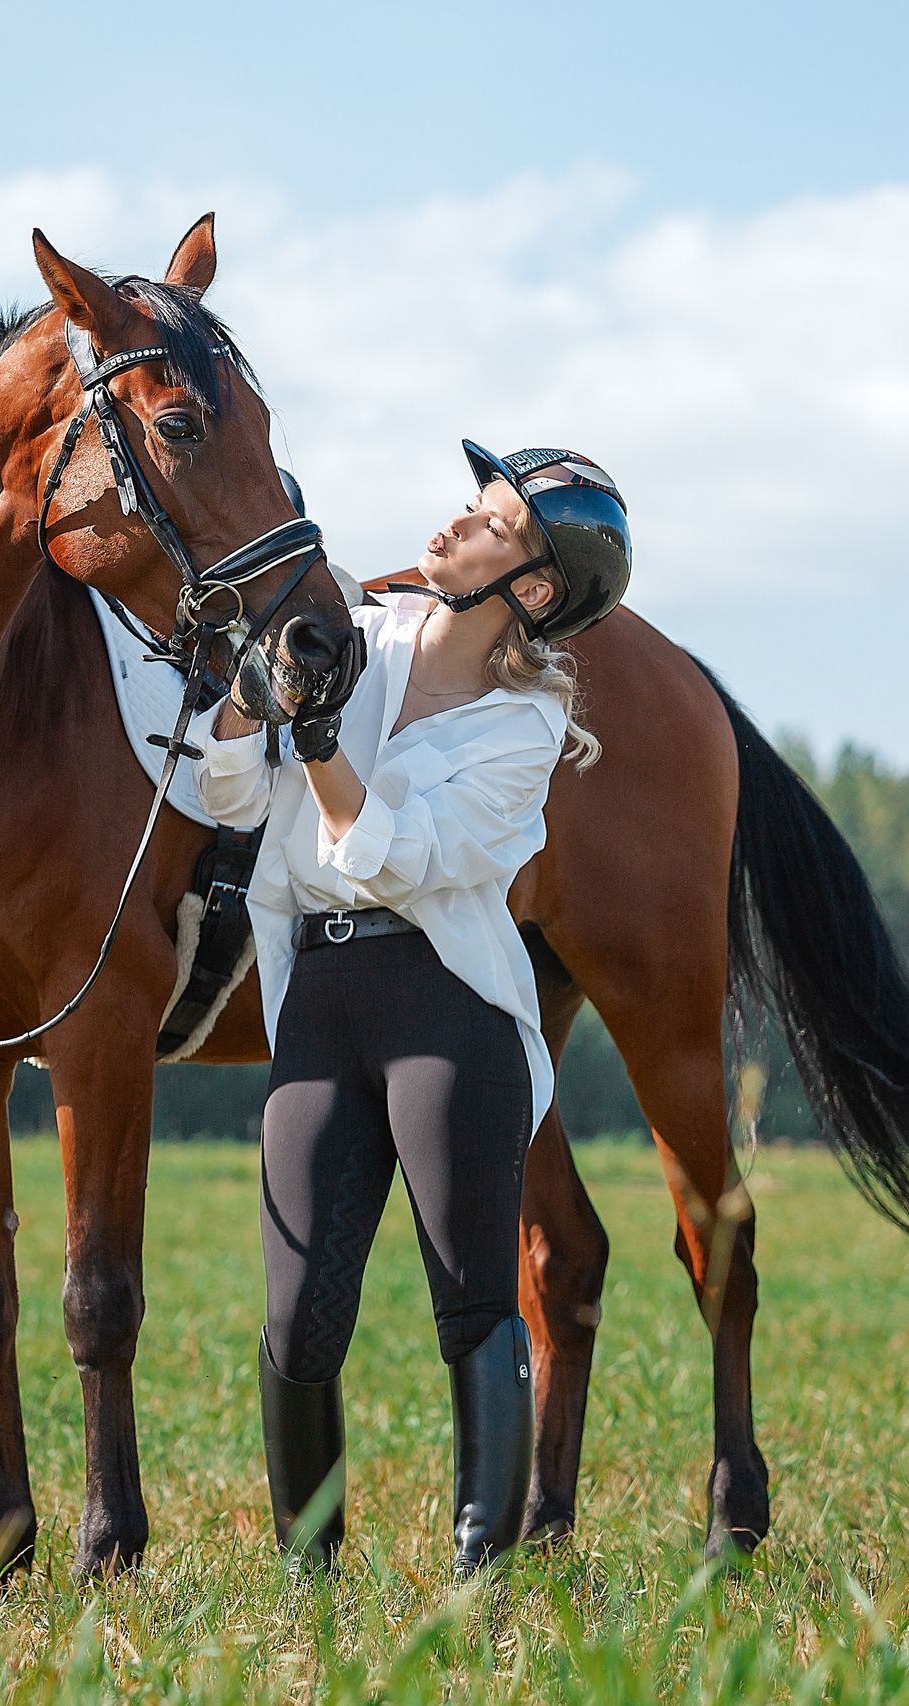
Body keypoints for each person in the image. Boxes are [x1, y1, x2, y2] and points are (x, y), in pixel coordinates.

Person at [194, 440, 632, 1576]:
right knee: (297, 1321)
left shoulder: (522, 727)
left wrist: (324, 736)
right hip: (321, 998)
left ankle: (479, 1578)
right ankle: (309, 1577)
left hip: (448, 1010)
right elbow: (226, 793)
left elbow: (396, 859)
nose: (452, 522)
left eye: (489, 520)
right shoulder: (357, 635)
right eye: (468, 503)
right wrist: (251, 704)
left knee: (472, 1300)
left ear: (530, 590)